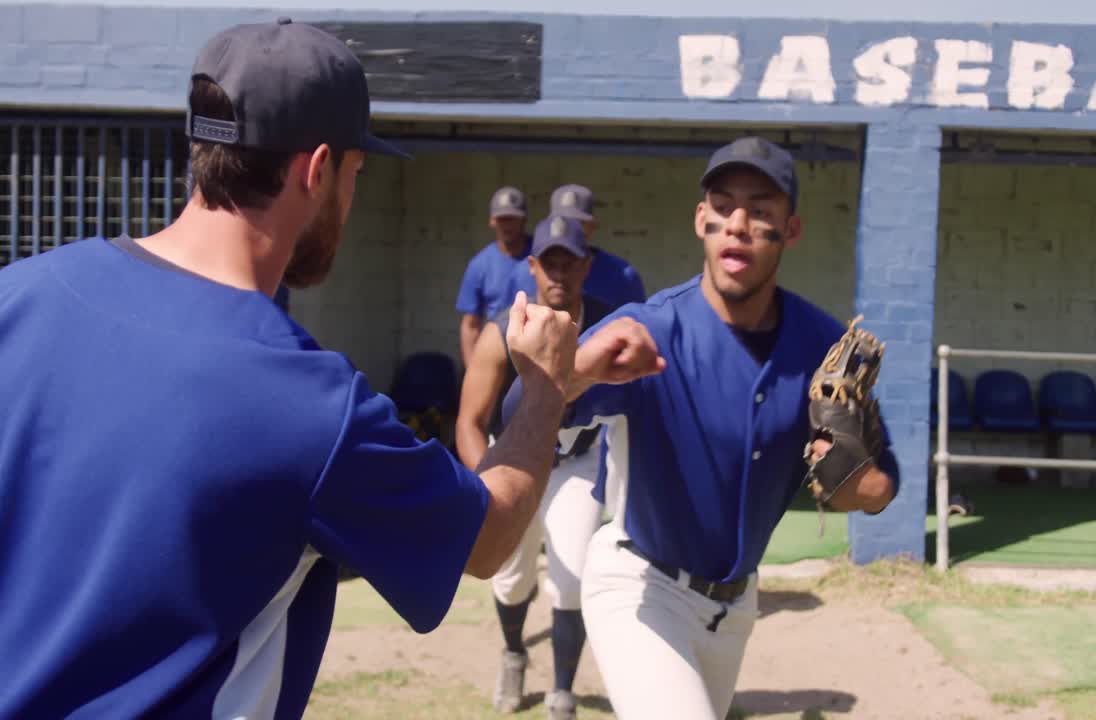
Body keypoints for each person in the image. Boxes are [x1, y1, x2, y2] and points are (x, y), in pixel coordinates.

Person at [0, 19, 663, 720]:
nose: (350, 200)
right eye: (355, 174)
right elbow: (490, 537)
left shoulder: (20, 296)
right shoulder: (311, 403)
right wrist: (544, 390)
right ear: (317, 171)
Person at [505, 136, 900, 720]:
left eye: (761, 210)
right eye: (723, 206)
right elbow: (516, 415)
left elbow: (876, 485)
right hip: (640, 585)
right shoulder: (650, 328)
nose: (738, 224)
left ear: (790, 231)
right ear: (701, 221)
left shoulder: (821, 345)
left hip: (736, 607)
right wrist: (581, 371)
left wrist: (858, 481)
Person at [456, 215, 619, 719]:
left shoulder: (610, 324)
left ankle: (563, 689)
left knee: (570, 578)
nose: (559, 274)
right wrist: (489, 481)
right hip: (511, 458)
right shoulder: (503, 330)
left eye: (570, 262)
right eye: (550, 262)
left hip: (576, 458)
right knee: (510, 577)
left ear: (587, 265)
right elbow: (469, 420)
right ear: (532, 266)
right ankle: (513, 652)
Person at [505, 184, 647, 308]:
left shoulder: (623, 276)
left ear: (592, 226)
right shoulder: (524, 272)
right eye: (563, 221)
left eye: (579, 222)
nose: (570, 228)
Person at [457, 186, 532, 367]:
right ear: (492, 221)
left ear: (524, 220)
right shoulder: (480, 264)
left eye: (513, 219)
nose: (507, 225)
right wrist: (472, 372)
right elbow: (470, 325)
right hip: (498, 352)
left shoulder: (543, 257)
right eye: (502, 219)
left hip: (536, 350)